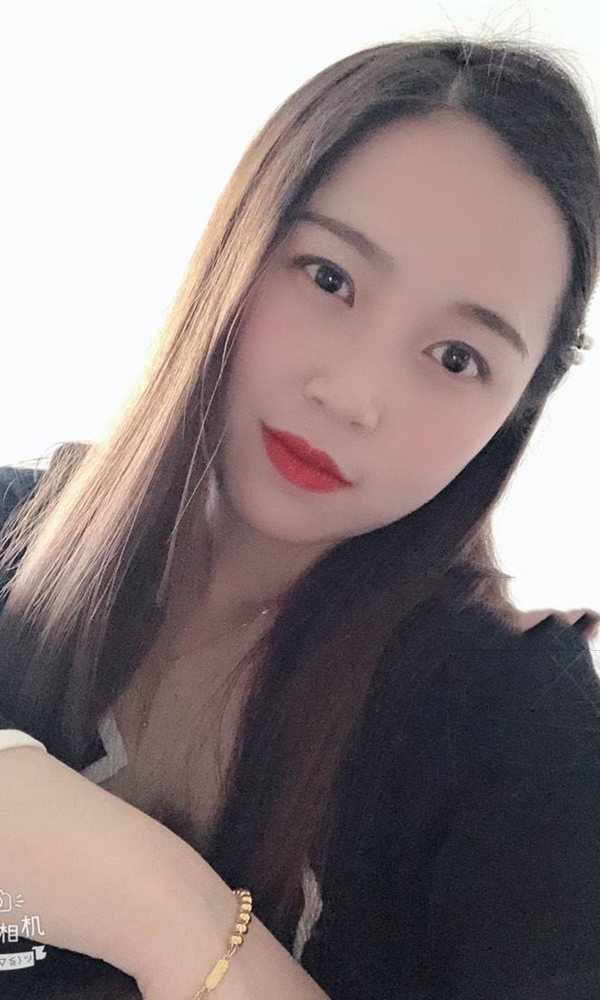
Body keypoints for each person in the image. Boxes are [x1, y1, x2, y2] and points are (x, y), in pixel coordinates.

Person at [0, 35, 600, 1000]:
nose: (352, 394)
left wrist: (170, 919)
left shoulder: (512, 730)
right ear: (239, 246)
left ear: (513, 413)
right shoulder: (13, 529)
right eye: (327, 277)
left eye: (457, 358)